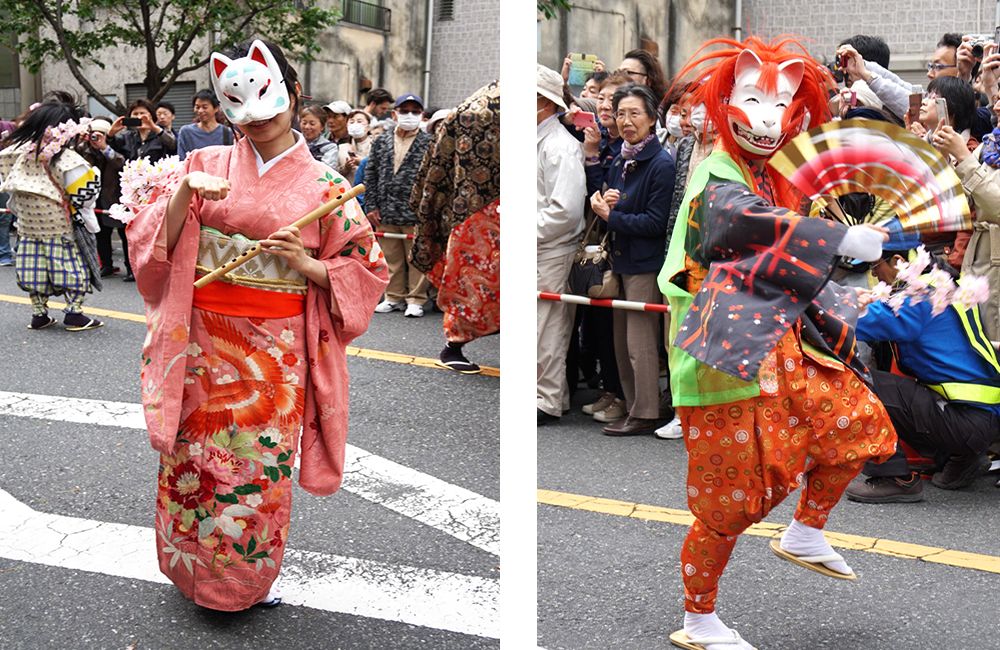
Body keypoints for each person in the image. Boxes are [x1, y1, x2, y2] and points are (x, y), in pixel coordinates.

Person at [127, 38, 387, 611]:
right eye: (243, 111)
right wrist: (181, 198)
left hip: (276, 353)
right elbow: (152, 248)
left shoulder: (328, 185)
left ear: (294, 95)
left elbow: (369, 271)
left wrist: (306, 264)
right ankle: (190, 567)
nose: (260, 121)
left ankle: (240, 583)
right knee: (192, 457)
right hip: (200, 340)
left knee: (253, 465)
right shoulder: (203, 164)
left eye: (272, 106)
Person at [658, 38, 898, 650]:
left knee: (857, 421)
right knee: (733, 497)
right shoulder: (718, 174)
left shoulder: (768, 174)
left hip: (776, 340)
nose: (767, 118)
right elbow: (737, 224)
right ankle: (698, 619)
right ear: (725, 102)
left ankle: (806, 530)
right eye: (753, 98)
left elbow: (788, 243)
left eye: (781, 103)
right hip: (721, 349)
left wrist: (868, 283)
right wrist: (835, 242)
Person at [844, 248, 1000, 502]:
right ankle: (961, 458)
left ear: (898, 261)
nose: (875, 276)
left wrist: (817, 302)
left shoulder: (919, 298)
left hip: (964, 420)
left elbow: (858, 320)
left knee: (857, 380)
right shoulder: (942, 285)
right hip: (980, 418)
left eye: (875, 267)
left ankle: (895, 478)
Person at [589, 84, 675, 436]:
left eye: (634, 113)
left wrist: (612, 215)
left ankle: (647, 411)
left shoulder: (660, 163)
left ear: (652, 118)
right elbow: (619, 204)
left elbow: (656, 222)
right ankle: (633, 405)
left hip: (645, 262)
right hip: (622, 259)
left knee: (640, 343)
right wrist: (609, 201)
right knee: (622, 341)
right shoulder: (623, 158)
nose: (626, 121)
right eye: (621, 113)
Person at [410, 82, 499, 375]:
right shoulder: (476, 111)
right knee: (476, 276)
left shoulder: (472, 108)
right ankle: (454, 345)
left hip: (477, 209)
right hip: (478, 212)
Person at [0, 92, 104, 330]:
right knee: (72, 269)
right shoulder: (68, 159)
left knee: (33, 269)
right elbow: (85, 197)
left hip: (27, 227)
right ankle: (74, 314)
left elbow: (7, 187)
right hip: (61, 228)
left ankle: (39, 314)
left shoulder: (12, 155)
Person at [577, 72, 631, 424]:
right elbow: (594, 189)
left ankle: (621, 394)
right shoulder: (600, 140)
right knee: (597, 324)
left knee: (619, 329)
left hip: (623, 242)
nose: (606, 105)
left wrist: (596, 157)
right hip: (599, 242)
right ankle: (608, 390)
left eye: (614, 99)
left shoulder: (628, 147)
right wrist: (593, 153)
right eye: (603, 98)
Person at [537, 65, 586, 424]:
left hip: (550, 247)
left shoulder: (560, 146)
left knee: (548, 327)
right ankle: (549, 395)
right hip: (538, 242)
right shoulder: (540, 141)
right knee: (538, 326)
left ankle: (546, 399)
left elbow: (565, 211)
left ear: (542, 102)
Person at [933, 87, 1000, 348]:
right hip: (978, 263)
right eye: (997, 97)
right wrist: (944, 159)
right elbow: (959, 203)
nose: (996, 106)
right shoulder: (990, 145)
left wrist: (963, 157)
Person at [364, 92, 433, 318]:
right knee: (390, 256)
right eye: (404, 111)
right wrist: (371, 205)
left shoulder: (429, 143)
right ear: (395, 114)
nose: (409, 115)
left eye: (415, 111)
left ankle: (415, 298)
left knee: (416, 257)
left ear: (422, 115)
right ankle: (393, 296)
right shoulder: (382, 140)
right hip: (386, 209)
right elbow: (370, 173)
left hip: (415, 211)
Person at [77, 118, 132, 281]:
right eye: (94, 135)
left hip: (116, 195)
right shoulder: (85, 149)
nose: (96, 138)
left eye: (100, 135)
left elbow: (121, 163)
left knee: (124, 233)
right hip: (95, 196)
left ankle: (130, 267)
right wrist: (80, 141)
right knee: (101, 233)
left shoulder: (116, 145)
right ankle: (106, 265)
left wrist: (104, 148)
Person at [108, 98, 177, 164]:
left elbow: (173, 145)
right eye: (135, 114)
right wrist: (110, 134)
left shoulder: (160, 134)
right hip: (132, 175)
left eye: (142, 113)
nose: (139, 117)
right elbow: (112, 153)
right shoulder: (127, 137)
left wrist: (154, 127)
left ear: (151, 116)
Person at [177, 90, 233, 160]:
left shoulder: (227, 133)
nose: (200, 111)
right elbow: (182, 161)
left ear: (216, 108)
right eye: (197, 107)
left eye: (205, 107)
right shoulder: (186, 132)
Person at [338, 109, 373, 182]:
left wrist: (363, 162)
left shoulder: (376, 146)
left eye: (359, 121)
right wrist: (346, 168)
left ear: (368, 127)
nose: (355, 124)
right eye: (351, 122)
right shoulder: (342, 147)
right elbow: (335, 173)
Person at [299, 105, 339, 169]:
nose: (307, 127)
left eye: (312, 124)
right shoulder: (294, 143)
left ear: (322, 127)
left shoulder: (330, 147)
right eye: (304, 123)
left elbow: (325, 170)